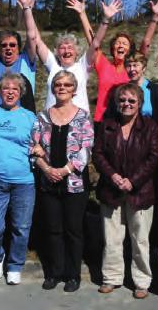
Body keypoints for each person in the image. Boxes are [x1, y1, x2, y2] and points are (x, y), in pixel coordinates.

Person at [92, 83, 158, 299]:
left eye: (131, 100)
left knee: (140, 239)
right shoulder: (107, 125)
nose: (126, 104)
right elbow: (98, 154)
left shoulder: (150, 127)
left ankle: (141, 281)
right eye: (122, 100)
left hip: (139, 192)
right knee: (111, 238)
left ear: (139, 103)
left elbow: (153, 157)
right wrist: (112, 176)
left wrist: (133, 181)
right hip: (111, 190)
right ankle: (111, 278)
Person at [31, 70, 94, 292]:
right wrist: (47, 169)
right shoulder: (43, 117)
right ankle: (54, 273)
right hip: (48, 182)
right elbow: (33, 149)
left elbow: (86, 150)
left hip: (74, 183)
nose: (62, 88)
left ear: (74, 89)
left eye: (67, 85)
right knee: (53, 229)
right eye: (58, 84)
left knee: (73, 231)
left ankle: (73, 275)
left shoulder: (83, 116)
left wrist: (64, 170)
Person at [0, 73, 37, 285]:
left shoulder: (30, 117)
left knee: (21, 227)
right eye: (6, 88)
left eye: (15, 89)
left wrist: (39, 149)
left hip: (23, 180)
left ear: (21, 92)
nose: (10, 92)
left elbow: (40, 144)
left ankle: (14, 265)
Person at [87, 0, 158, 123]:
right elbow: (94, 43)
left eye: (125, 43)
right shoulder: (104, 66)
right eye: (117, 43)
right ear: (112, 47)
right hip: (103, 121)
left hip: (125, 120)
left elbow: (146, 42)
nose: (120, 45)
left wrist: (155, 17)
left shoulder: (132, 67)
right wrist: (83, 13)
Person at [18, 0, 95, 113]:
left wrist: (82, 14)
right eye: (62, 48)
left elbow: (94, 44)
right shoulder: (54, 66)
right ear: (57, 53)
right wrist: (28, 10)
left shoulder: (82, 66)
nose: (66, 50)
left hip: (77, 127)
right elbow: (36, 39)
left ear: (77, 52)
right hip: (51, 123)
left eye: (70, 47)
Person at [105, 52, 158, 123]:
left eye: (135, 65)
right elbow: (111, 116)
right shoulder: (120, 91)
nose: (132, 69)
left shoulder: (155, 90)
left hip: (150, 132)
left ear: (144, 68)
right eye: (128, 66)